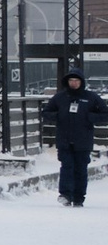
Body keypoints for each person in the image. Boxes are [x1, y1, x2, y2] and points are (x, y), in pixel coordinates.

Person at [40, 70, 102, 206]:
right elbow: (46, 112)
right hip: (64, 139)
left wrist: (92, 117)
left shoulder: (91, 97)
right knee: (67, 166)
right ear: (67, 82)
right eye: (71, 80)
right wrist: (58, 116)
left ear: (81, 82)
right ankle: (66, 195)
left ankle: (79, 197)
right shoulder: (60, 97)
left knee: (81, 169)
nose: (74, 83)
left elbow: (105, 113)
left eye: (76, 80)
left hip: (83, 140)